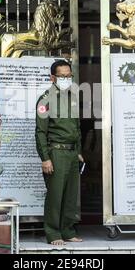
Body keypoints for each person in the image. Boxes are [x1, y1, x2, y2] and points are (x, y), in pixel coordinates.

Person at [35, 59, 84, 245]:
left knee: (71, 195)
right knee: (55, 195)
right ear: (52, 78)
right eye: (62, 76)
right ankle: (53, 233)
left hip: (72, 154)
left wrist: (78, 151)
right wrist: (45, 158)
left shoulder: (72, 97)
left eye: (69, 76)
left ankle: (67, 230)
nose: (66, 79)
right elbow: (40, 131)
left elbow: (76, 126)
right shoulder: (46, 100)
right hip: (56, 153)